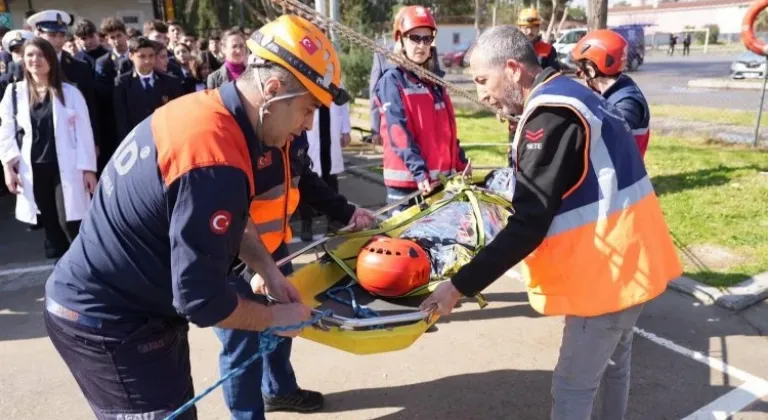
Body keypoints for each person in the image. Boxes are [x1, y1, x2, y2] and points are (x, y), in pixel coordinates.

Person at [42, 13, 355, 420]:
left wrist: (271, 274)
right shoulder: (213, 158)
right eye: (308, 109)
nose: (309, 125)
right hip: (109, 323)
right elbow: (201, 301)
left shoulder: (218, 116)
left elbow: (235, 218)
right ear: (273, 89)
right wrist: (274, 317)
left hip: (139, 311)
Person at [421, 25, 682, 420]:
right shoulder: (574, 92)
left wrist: (458, 286)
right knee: (614, 366)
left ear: (512, 69)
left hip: (604, 278)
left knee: (572, 387)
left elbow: (530, 221)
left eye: (482, 80)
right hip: (634, 262)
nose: (480, 95)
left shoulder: (551, 115)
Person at [214, 128, 374, 417]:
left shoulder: (292, 129)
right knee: (241, 346)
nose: (310, 123)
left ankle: (279, 390)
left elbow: (304, 179)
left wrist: (346, 211)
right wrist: (250, 270)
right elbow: (217, 212)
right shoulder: (232, 135)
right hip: (230, 259)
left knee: (283, 325)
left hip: (275, 248)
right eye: (308, 108)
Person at [0, 37, 97, 259]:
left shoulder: (70, 92)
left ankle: (86, 272)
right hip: (33, 168)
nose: (35, 60)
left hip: (66, 169)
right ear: (23, 60)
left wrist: (88, 170)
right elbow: (5, 131)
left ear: (51, 60)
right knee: (50, 227)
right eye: (30, 55)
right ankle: (63, 280)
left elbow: (84, 133)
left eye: (41, 55)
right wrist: (8, 167)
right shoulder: (14, 93)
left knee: (70, 223)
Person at [374, 5, 468, 212]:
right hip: (409, 185)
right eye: (414, 38)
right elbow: (398, 131)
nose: (421, 45)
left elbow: (447, 131)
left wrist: (460, 161)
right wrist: (419, 171)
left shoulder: (434, 82)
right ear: (400, 39)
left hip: (437, 181)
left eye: (427, 39)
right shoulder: (393, 81)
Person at [27, 10, 100, 162]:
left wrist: (95, 141)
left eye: (61, 35)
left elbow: (91, 107)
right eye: (52, 35)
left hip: (73, 143)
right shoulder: (27, 67)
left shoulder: (80, 67)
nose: (58, 41)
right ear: (38, 34)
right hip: (37, 147)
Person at [571, 29, 651, 158]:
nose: (579, 76)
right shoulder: (611, 91)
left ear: (591, 71)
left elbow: (604, 139)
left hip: (623, 175)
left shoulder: (627, 103)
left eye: (580, 71)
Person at [299, 94, 352, 240]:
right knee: (306, 179)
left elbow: (343, 105)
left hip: (329, 130)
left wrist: (345, 130)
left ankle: (333, 221)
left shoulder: (335, 75)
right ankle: (306, 222)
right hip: (311, 129)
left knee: (330, 178)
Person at [113, 36, 184, 141]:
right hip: (137, 141)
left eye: (151, 56)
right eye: (142, 56)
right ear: (131, 56)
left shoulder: (170, 82)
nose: (147, 61)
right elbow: (121, 119)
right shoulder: (122, 83)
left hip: (166, 139)